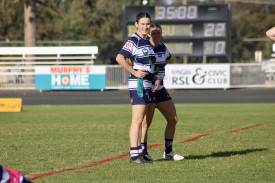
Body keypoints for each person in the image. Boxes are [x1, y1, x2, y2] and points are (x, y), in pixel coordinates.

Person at [116, 12, 159, 164]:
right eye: (142, 24)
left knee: (143, 121)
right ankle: (134, 156)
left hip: (148, 83)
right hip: (138, 84)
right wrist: (134, 71)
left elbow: (147, 64)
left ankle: (140, 153)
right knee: (137, 120)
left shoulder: (147, 41)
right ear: (136, 24)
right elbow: (119, 58)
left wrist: (154, 77)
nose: (145, 27)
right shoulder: (134, 40)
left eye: (147, 24)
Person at [141, 22, 184, 161]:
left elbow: (167, 57)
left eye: (158, 32)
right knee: (146, 124)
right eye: (154, 33)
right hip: (148, 89)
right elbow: (131, 61)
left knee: (173, 119)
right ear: (148, 34)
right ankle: (144, 153)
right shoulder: (145, 48)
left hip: (160, 89)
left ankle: (168, 152)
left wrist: (159, 71)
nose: (157, 35)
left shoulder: (163, 47)